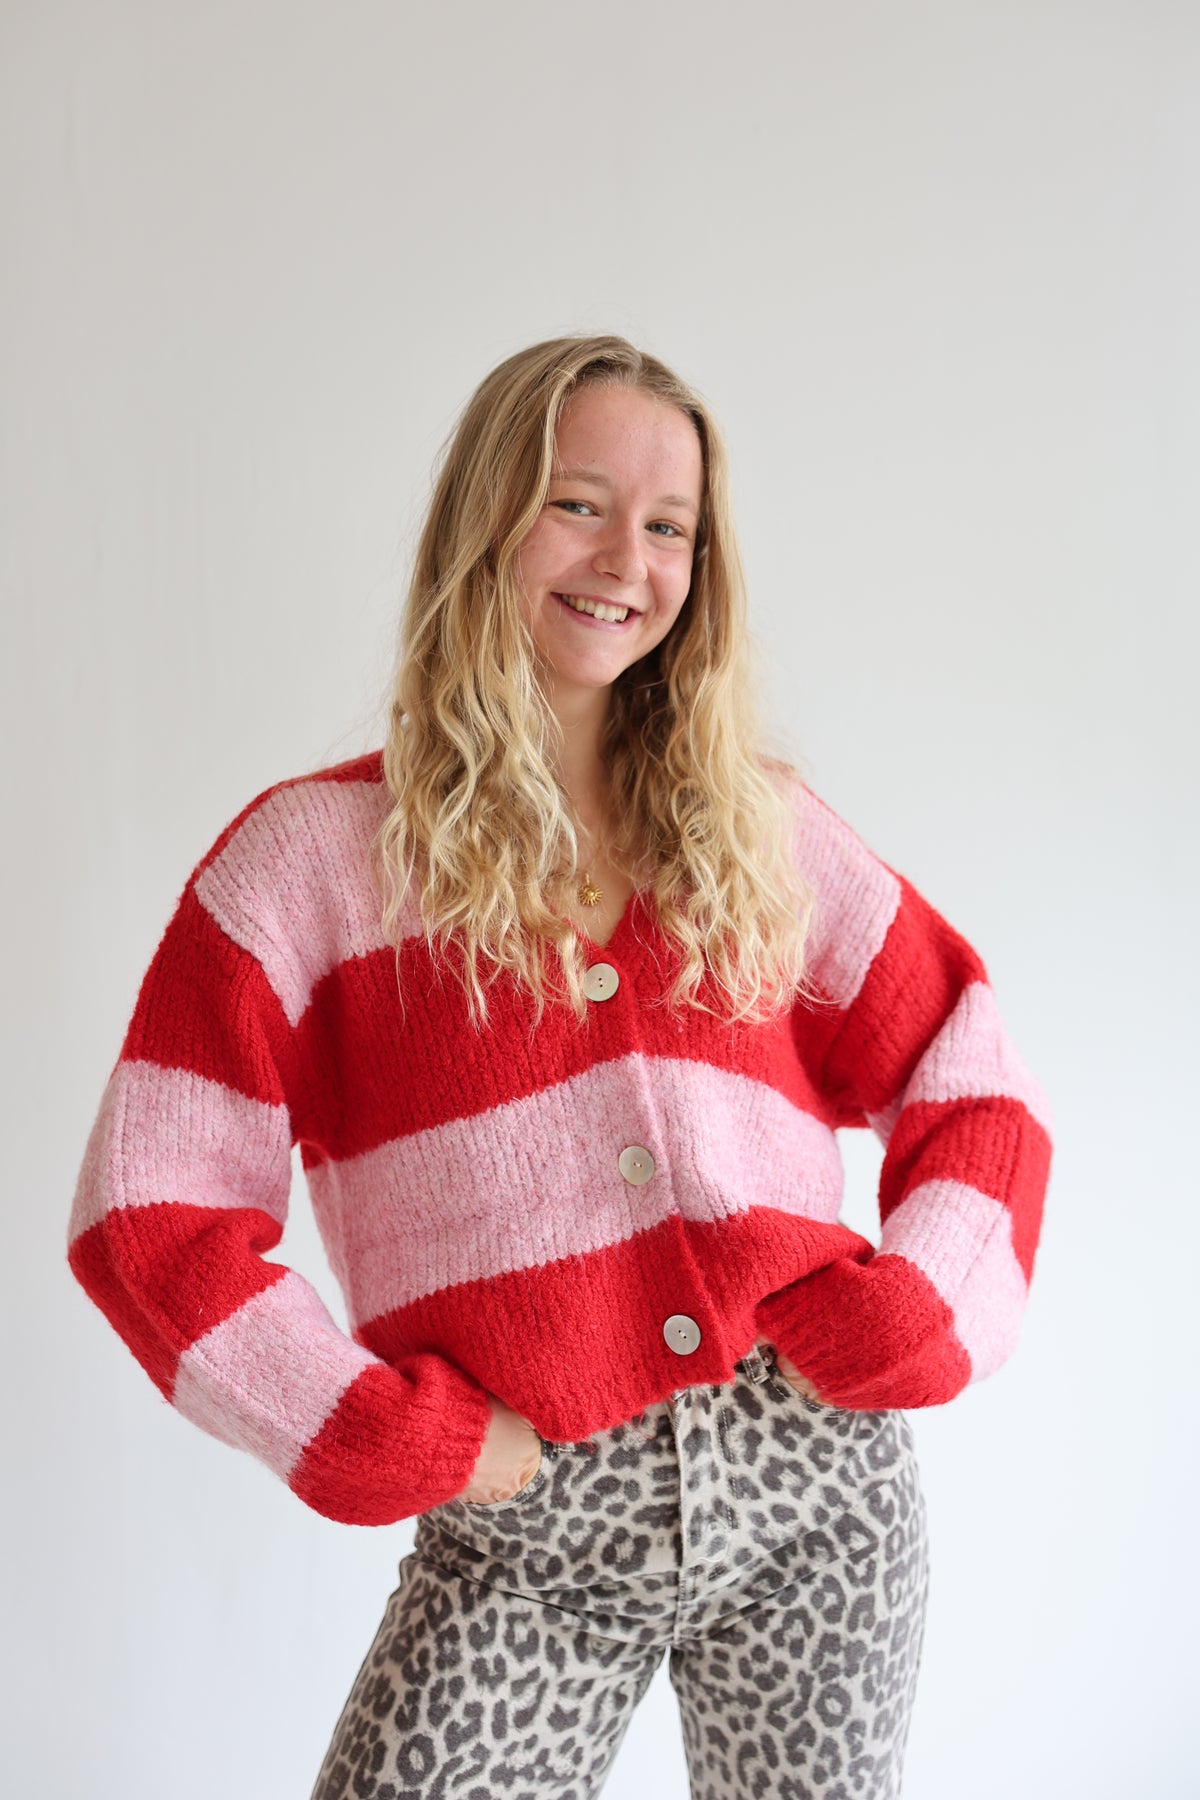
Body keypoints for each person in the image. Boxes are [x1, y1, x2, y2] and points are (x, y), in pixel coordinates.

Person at [67, 334, 1053, 1800]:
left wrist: (917, 1309)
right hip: (528, 1525)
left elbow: (974, 1078)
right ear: (488, 517)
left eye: (670, 527)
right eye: (578, 504)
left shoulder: (761, 831)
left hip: (817, 1497)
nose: (625, 562)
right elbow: (146, 1217)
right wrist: (376, 1433)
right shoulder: (312, 865)